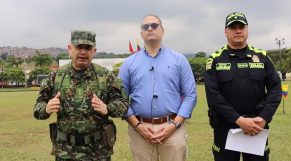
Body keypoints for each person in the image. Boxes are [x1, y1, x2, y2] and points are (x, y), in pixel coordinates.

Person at [33, 30, 129, 161]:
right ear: (70, 49)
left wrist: (107, 108)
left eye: (88, 48)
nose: (83, 52)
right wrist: (46, 108)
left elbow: (123, 104)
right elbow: (37, 109)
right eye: (78, 47)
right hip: (65, 152)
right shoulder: (55, 77)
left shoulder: (106, 76)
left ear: (94, 51)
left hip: (98, 152)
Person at [118, 14, 197, 161]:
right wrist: (137, 125)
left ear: (162, 30)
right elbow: (119, 98)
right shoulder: (128, 64)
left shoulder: (179, 60)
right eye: (145, 27)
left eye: (154, 25)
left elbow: (190, 95)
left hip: (173, 129)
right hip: (139, 130)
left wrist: (174, 124)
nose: (150, 29)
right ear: (141, 33)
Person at [204, 12, 282, 161]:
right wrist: (239, 120)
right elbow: (213, 96)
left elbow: (276, 89)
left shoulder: (262, 57)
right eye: (233, 27)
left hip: (256, 127)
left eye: (241, 27)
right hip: (226, 128)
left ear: (247, 30)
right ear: (226, 31)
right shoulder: (215, 60)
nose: (238, 30)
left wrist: (263, 118)